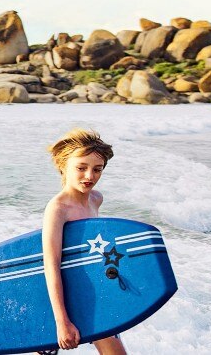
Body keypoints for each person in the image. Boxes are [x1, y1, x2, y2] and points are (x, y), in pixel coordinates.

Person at [39, 128, 126, 354]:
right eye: (81, 168)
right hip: (58, 300)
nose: (90, 176)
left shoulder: (96, 199)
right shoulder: (57, 209)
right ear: (63, 166)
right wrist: (62, 321)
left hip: (90, 294)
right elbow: (50, 265)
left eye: (97, 170)